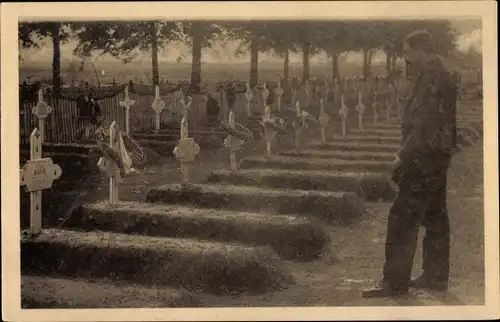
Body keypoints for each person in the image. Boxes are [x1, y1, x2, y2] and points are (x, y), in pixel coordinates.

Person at [362, 29, 458, 298]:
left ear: (419, 50)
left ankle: (394, 283)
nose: (405, 59)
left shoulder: (433, 77)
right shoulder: (438, 73)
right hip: (437, 157)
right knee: (435, 216)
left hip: (423, 158)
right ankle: (435, 276)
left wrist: (401, 156)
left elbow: (424, 125)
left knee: (402, 217)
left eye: (406, 53)